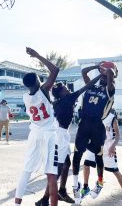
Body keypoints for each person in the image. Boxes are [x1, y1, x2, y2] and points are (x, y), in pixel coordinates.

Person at [35, 74, 102, 206]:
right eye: (65, 88)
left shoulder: (59, 101)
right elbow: (87, 86)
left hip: (61, 133)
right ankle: (44, 199)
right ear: (61, 93)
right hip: (59, 135)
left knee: (66, 163)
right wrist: (100, 74)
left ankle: (62, 190)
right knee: (58, 169)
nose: (68, 89)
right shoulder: (68, 99)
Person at [14, 47, 59, 206]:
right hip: (49, 134)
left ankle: (17, 203)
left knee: (26, 170)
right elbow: (55, 70)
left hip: (34, 134)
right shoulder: (44, 91)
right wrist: (37, 55)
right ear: (38, 82)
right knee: (52, 174)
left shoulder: (26, 97)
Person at [72, 62, 116, 204]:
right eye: (102, 76)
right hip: (84, 123)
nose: (103, 78)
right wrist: (97, 67)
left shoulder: (110, 89)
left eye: (105, 77)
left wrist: (108, 70)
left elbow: (110, 73)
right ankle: (75, 185)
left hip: (97, 125)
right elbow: (84, 71)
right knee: (77, 154)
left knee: (98, 156)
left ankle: (100, 183)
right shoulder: (91, 86)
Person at [83, 110, 122, 205]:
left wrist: (113, 146)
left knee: (115, 171)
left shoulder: (112, 118)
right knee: (86, 163)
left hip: (108, 147)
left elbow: (117, 135)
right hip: (95, 145)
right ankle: (85, 187)